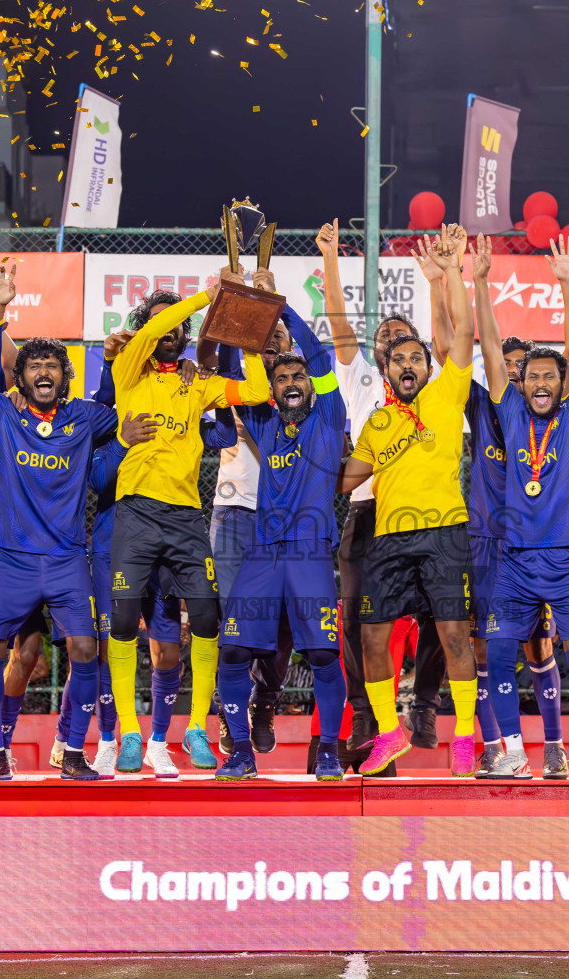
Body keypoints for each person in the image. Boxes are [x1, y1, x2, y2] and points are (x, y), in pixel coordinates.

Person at [0, 271, 152, 780]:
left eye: (53, 364)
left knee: (85, 648)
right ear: (21, 377)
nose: (43, 371)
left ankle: (72, 751)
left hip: (68, 560)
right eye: (34, 365)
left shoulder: (86, 417)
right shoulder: (3, 413)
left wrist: (128, 416)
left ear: (65, 376)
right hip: (13, 561)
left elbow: (122, 402)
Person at [98, 277, 270, 774]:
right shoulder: (128, 368)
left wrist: (246, 333)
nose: (167, 329)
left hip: (185, 517)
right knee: (126, 622)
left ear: (187, 334)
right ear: (146, 329)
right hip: (135, 512)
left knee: (209, 619)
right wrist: (205, 296)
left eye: (177, 323)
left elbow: (256, 389)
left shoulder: (196, 383)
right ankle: (131, 733)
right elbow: (155, 326)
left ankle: (195, 725)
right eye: (158, 319)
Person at [337, 223, 482, 777]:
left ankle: (463, 737)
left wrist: (448, 275)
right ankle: (389, 732)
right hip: (387, 538)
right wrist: (310, 466)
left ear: (428, 365)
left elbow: (462, 332)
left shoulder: (448, 392)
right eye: (397, 360)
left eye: (415, 357)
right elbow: (352, 476)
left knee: (450, 634)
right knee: (371, 635)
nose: (407, 365)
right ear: (386, 370)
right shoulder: (376, 420)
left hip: (443, 532)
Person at [472, 225, 569, 781]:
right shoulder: (509, 414)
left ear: (564, 382)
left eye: (552, 375)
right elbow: (488, 347)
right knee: (499, 655)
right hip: (516, 563)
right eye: (533, 376)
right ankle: (510, 753)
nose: (542, 382)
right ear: (520, 383)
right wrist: (480, 283)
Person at [444, 230, 569, 778]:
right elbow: (462, 339)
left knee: (540, 648)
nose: (516, 371)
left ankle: (555, 745)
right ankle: (496, 746)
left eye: (527, 367)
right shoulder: (482, 404)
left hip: (535, 543)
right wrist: (460, 278)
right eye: (511, 364)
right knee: (482, 647)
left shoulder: (553, 413)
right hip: (483, 540)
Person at [214, 302, 349, 780]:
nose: (291, 382)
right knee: (232, 654)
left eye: (299, 376)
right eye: (282, 378)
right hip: (262, 555)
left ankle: (330, 751)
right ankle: (241, 751)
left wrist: (278, 305)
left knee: (323, 656)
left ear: (311, 381)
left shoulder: (330, 417)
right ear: (271, 389)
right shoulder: (264, 423)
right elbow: (236, 376)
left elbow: (316, 353)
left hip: (310, 556)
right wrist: (239, 317)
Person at [206, 274, 292, 756]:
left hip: (286, 519)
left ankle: (266, 701)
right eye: (265, 338)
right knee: (235, 619)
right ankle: (231, 711)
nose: (273, 344)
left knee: (283, 623)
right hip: (236, 512)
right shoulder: (236, 386)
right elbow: (217, 435)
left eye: (280, 337)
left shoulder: (305, 395)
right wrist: (232, 299)